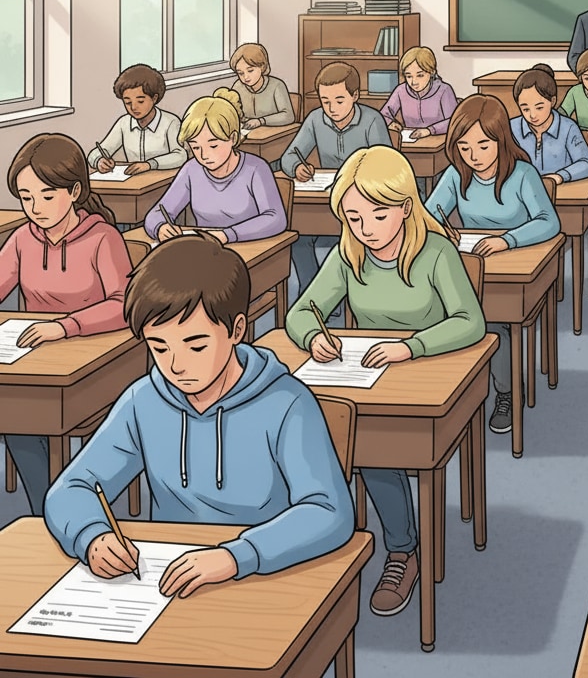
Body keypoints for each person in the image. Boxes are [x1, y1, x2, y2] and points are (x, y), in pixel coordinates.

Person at [44, 235, 355, 596]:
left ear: (237, 330)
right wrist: (92, 535)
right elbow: (71, 488)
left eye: (196, 345)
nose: (176, 365)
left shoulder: (288, 403)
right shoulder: (143, 401)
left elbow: (329, 511)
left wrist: (237, 556)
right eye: (159, 347)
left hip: (267, 576)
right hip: (170, 580)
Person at [286, 146, 485, 617]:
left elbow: (470, 321)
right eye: (353, 218)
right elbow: (301, 310)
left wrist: (411, 346)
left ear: (406, 207)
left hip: (428, 377)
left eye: (378, 215)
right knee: (304, 432)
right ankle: (317, 537)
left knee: (374, 452)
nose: (366, 229)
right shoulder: (348, 255)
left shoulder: (436, 253)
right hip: (364, 375)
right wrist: (314, 336)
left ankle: (402, 550)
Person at [1, 134, 132, 515]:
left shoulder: (103, 238)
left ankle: (62, 508)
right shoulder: (23, 239)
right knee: (15, 412)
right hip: (36, 362)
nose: (35, 208)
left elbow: (124, 305)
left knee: (28, 414)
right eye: (26, 198)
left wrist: (64, 327)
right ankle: (49, 510)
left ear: (74, 191)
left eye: (46, 196)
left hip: (98, 363)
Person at [429, 95, 560, 435]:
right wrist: (440, 231)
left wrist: (507, 240)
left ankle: (506, 391)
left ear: (501, 139)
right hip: (467, 264)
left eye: (483, 146)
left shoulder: (523, 174)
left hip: (513, 266)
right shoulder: (456, 174)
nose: (473, 156)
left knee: (493, 322)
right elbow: (429, 216)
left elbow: (549, 221)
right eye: (464, 147)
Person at [281, 62, 391, 292]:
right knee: (298, 235)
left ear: (355, 96)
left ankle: (346, 291)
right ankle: (312, 291)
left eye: (339, 101)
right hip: (324, 200)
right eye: (325, 101)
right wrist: (297, 167)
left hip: (363, 202)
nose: (331, 108)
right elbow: (288, 156)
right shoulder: (315, 119)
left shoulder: (372, 120)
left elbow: (384, 164)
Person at [142, 88, 286, 244]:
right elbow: (158, 212)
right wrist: (160, 227)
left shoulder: (256, 168)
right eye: (196, 147)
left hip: (249, 248)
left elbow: (275, 218)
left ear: (233, 138)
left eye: (213, 146)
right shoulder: (191, 169)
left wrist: (227, 235)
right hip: (205, 250)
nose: (204, 155)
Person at [87, 63, 186, 175]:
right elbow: (96, 152)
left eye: (140, 101)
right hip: (135, 182)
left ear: (154, 98)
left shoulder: (170, 122)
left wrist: (150, 164)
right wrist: (99, 161)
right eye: (128, 102)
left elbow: (180, 155)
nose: (133, 107)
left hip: (164, 180)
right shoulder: (124, 123)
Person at [511, 63, 588, 186]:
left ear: (553, 101)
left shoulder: (568, 127)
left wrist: (561, 176)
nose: (532, 115)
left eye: (539, 108)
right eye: (525, 109)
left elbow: (587, 163)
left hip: (561, 190)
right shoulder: (511, 128)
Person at [381, 46, 458, 139]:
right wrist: (390, 123)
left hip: (439, 141)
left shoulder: (444, 90)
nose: (414, 82)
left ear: (432, 72)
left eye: (420, 75)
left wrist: (429, 130)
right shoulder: (400, 90)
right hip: (411, 142)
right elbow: (382, 115)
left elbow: (454, 121)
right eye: (409, 76)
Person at [230, 42, 295, 129]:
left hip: (272, 131)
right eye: (240, 73)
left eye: (250, 71)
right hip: (247, 131)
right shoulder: (238, 86)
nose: (245, 77)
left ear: (262, 66)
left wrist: (261, 121)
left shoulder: (277, 85)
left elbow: (288, 116)